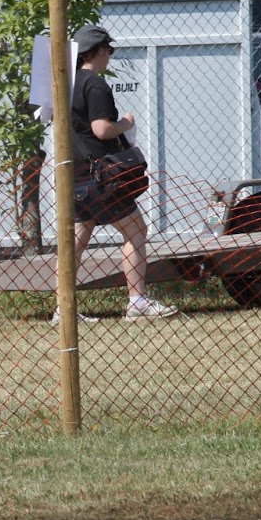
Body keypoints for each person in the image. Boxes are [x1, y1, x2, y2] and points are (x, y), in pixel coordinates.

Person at [62, 25, 179, 323]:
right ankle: (137, 301)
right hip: (99, 175)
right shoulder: (95, 85)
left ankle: (64, 309)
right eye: (109, 51)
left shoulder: (63, 83)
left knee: (76, 241)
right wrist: (126, 123)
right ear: (98, 51)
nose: (110, 57)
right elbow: (101, 129)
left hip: (73, 175)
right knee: (136, 231)